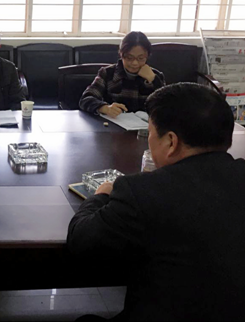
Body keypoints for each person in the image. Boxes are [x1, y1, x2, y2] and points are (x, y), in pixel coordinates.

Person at [68, 83, 245, 321]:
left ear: (171, 142)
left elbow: (82, 241)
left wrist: (100, 196)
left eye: (150, 132)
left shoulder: (142, 192)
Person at [79, 31, 165, 117]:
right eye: (129, 58)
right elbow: (85, 99)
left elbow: (167, 105)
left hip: (145, 125)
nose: (135, 63)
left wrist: (154, 80)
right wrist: (104, 108)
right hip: (114, 123)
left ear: (147, 56)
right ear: (121, 54)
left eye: (141, 58)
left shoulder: (155, 75)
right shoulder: (108, 73)